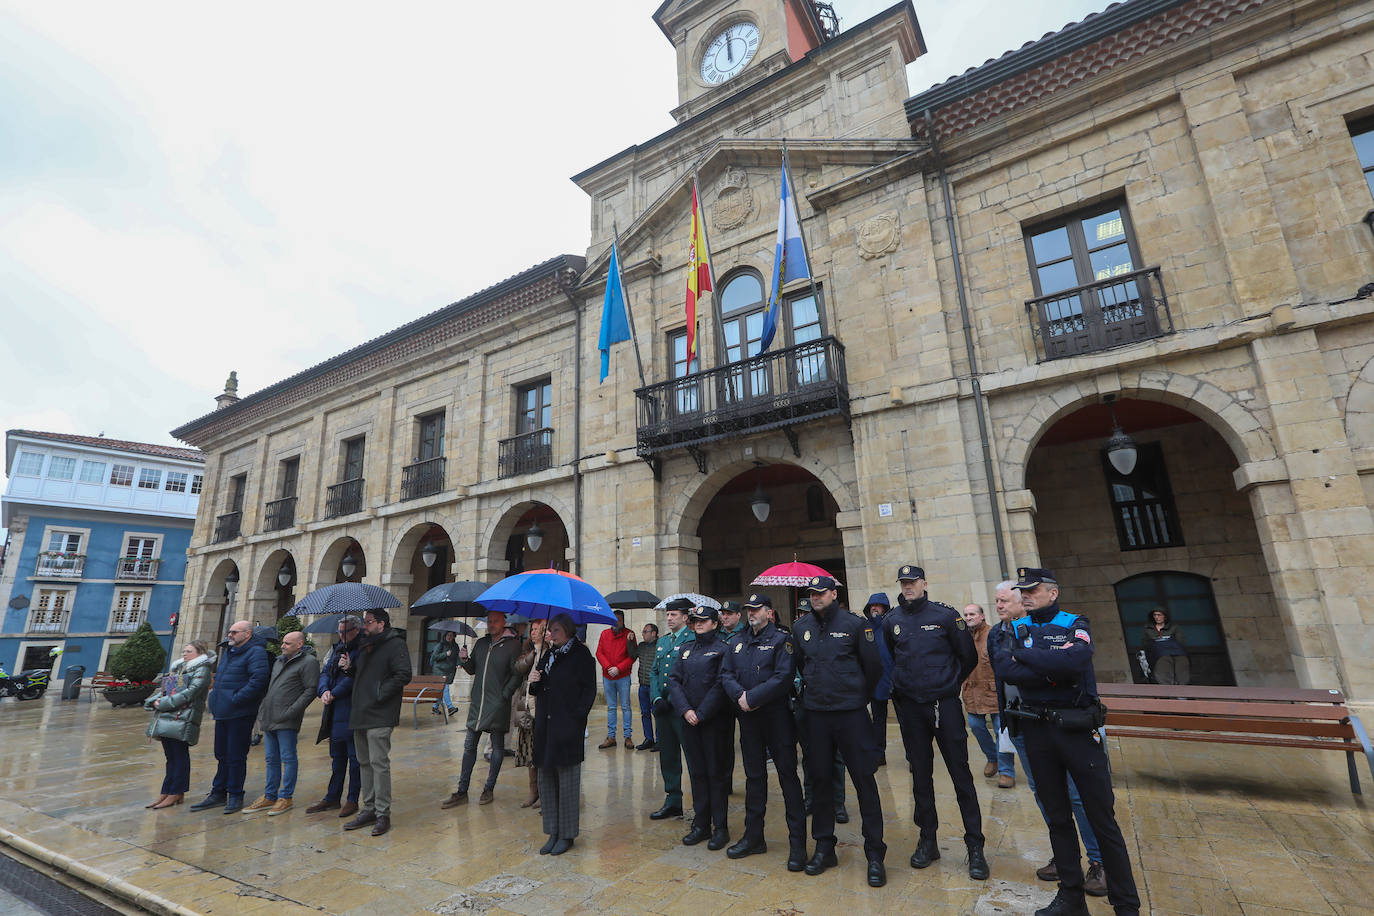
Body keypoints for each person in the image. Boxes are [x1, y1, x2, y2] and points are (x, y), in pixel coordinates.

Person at [992, 568, 1140, 916]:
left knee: (1102, 819)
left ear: (1053, 593)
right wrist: (1051, 665)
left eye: (1033, 590)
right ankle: (1071, 898)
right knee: (1057, 818)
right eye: (1022, 591)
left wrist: (1026, 656)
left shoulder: (1075, 622)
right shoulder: (1011, 629)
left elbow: (1076, 662)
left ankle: (1126, 904)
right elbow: (1006, 670)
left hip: (1076, 731)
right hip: (1037, 731)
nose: (1026, 596)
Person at [990, 581, 1107, 897]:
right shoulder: (997, 634)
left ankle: (1099, 862)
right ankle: (1065, 856)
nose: (1000, 605)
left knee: (1079, 796)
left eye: (1007, 600)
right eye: (997, 601)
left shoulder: (1057, 627)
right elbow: (1004, 673)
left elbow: (1066, 670)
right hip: (1022, 725)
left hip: (1061, 722)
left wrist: (1030, 666)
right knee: (1045, 794)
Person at [883, 565, 987, 880]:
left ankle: (975, 847)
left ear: (924, 583)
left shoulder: (945, 616)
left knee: (961, 775)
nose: (908, 587)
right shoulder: (892, 621)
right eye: (903, 583)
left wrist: (949, 683)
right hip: (912, 709)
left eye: (913, 582)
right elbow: (890, 656)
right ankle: (928, 839)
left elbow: (967, 655)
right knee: (921, 777)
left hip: (945, 706)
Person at [792, 575, 887, 887]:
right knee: (820, 782)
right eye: (812, 593)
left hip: (850, 714)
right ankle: (824, 846)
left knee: (864, 781)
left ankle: (875, 853)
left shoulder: (855, 624)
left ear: (834, 593)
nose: (816, 597)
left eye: (821, 592)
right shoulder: (802, 627)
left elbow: (873, 667)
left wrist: (855, 694)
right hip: (816, 715)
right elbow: (799, 664)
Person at [720, 593, 806, 869]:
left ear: (769, 612)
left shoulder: (782, 639)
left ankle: (798, 845)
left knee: (788, 777)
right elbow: (726, 674)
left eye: (757, 609)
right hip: (748, 719)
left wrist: (752, 697)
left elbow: (783, 678)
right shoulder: (737, 640)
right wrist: (740, 696)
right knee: (753, 777)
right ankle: (754, 837)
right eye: (749, 609)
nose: (751, 613)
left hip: (776, 718)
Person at [528, 612, 598, 856]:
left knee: (567, 784)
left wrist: (576, 718)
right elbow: (538, 688)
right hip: (546, 728)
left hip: (567, 728)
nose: (551, 634)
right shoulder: (548, 655)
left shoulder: (581, 655)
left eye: (555, 630)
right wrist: (534, 680)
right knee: (547, 782)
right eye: (550, 630)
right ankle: (552, 831)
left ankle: (567, 835)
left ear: (568, 631)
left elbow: (589, 691)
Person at [342, 608, 412, 837]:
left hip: (380, 713)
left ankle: (383, 813)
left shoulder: (395, 644)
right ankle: (369, 808)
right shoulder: (366, 645)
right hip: (361, 711)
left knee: (378, 763)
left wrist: (379, 692)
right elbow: (365, 675)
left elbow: (403, 674)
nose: (365, 626)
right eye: (364, 622)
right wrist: (349, 667)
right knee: (364, 762)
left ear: (381, 624)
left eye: (369, 622)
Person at [443, 610, 523, 807]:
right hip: (478, 703)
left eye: (496, 621)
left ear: (504, 622)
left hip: (498, 703)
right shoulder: (481, 643)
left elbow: (517, 674)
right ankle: (462, 791)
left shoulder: (513, 645)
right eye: (489, 621)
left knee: (497, 747)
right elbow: (473, 669)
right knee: (469, 746)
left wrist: (505, 694)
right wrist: (464, 660)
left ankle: (489, 788)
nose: (492, 624)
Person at [190, 620, 270, 814]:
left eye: (234, 632)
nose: (230, 635)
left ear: (247, 634)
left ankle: (235, 794)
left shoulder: (256, 652)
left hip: (240, 712)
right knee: (221, 754)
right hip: (223, 711)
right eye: (229, 631)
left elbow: (258, 680)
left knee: (236, 755)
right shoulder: (229, 651)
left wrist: (236, 699)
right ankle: (218, 792)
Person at [670, 605, 732, 850]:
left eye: (704, 621)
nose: (698, 624)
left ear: (715, 624)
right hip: (689, 720)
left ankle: (721, 827)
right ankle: (701, 824)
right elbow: (674, 680)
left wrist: (702, 713)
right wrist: (686, 710)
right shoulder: (686, 649)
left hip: (713, 721)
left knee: (715, 774)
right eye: (695, 620)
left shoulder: (722, 650)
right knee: (697, 774)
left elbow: (721, 684)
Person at [244, 630, 320, 816]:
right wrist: (263, 709)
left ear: (299, 644)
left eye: (287, 643)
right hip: (270, 716)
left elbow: (311, 690)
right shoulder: (279, 661)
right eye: (283, 642)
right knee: (271, 759)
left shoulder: (308, 662)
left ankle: (286, 796)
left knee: (288, 758)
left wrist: (292, 711)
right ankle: (270, 795)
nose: (283, 646)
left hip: (287, 718)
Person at [144, 640, 214, 810]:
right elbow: (166, 690)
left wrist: (164, 703)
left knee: (180, 755)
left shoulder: (202, 670)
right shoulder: (179, 668)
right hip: (169, 716)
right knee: (170, 757)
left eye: (189, 651)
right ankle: (167, 791)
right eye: (184, 651)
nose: (184, 653)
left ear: (200, 653)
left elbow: (190, 693)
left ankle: (176, 791)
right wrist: (152, 701)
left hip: (184, 717)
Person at [308, 615, 362, 819]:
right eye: (339, 631)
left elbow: (356, 679)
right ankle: (332, 796)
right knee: (337, 758)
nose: (341, 635)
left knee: (355, 759)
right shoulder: (338, 648)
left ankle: (352, 799)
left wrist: (336, 691)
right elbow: (326, 673)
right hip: (333, 711)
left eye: (345, 631)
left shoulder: (362, 649)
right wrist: (323, 691)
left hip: (351, 710)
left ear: (356, 630)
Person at [648, 598, 695, 820]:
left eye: (673, 614)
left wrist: (680, 702)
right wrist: (657, 697)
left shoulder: (693, 639)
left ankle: (701, 804)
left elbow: (693, 675)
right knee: (668, 756)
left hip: (683, 709)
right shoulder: (663, 642)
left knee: (693, 757)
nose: (668, 618)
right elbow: (654, 671)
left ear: (685, 617)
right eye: (667, 615)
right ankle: (673, 800)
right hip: (664, 710)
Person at [963, 603, 1015, 789]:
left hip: (994, 692)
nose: (968, 617)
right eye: (966, 614)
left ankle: (1006, 771)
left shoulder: (993, 634)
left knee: (1002, 732)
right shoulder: (963, 637)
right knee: (976, 727)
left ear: (982, 616)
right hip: (972, 692)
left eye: (972, 614)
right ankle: (993, 757)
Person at [512, 617, 547, 809]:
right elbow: (518, 669)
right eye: (531, 629)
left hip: (540, 709)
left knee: (540, 753)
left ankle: (543, 791)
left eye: (536, 629)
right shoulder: (529, 651)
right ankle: (532, 791)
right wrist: (532, 654)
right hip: (526, 708)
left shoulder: (548, 653)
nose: (532, 632)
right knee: (528, 753)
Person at [595, 610, 637, 749]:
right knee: (611, 707)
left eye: (618, 620)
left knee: (625, 707)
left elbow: (632, 656)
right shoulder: (604, 634)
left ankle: (627, 736)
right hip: (607, 676)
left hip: (623, 676)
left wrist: (619, 668)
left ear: (623, 621)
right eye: (613, 620)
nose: (615, 622)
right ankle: (611, 736)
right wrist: (608, 667)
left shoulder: (629, 635)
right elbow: (599, 653)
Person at [862, 593, 894, 767]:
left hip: (896, 680)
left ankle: (912, 756)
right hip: (876, 681)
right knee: (878, 720)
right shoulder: (866, 627)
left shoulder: (892, 623)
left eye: (878, 605)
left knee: (906, 721)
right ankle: (878, 753)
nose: (874, 608)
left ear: (885, 608)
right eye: (872, 605)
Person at [1141, 608, 1189, 685]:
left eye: (1159, 615)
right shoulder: (1147, 628)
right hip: (1157, 654)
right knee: (1163, 664)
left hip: (1176, 652)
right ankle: (1168, 690)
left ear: (1165, 616)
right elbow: (1145, 643)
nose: (1156, 617)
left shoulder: (1174, 627)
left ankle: (1182, 691)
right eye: (1155, 615)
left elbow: (1181, 642)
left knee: (1181, 664)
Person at [635, 623, 659, 750]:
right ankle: (648, 738)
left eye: (645, 631)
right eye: (643, 631)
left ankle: (659, 740)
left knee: (657, 713)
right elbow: (632, 655)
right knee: (645, 713)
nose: (643, 634)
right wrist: (630, 641)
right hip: (642, 685)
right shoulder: (641, 646)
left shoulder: (660, 645)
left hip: (654, 686)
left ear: (653, 633)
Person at [431, 631, 461, 716]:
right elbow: (434, 657)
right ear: (445, 635)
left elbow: (457, 657)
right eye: (448, 635)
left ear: (454, 637)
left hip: (449, 671)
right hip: (439, 670)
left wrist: (458, 664)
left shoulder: (455, 646)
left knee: (442, 690)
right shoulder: (440, 645)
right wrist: (445, 654)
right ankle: (450, 707)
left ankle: (435, 707)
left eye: (451, 635)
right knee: (445, 688)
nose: (449, 637)